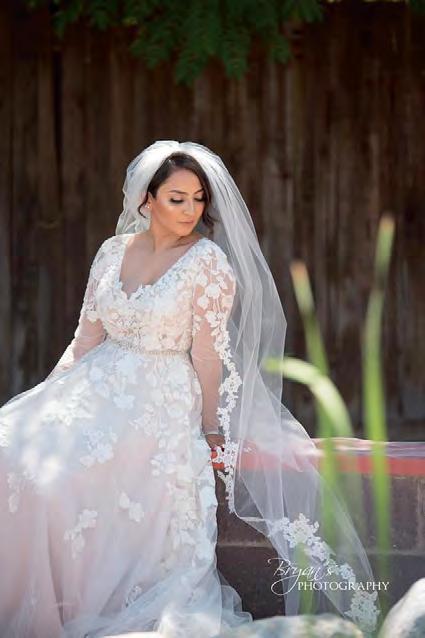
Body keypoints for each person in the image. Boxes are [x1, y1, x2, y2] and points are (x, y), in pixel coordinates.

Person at [0, 141, 381, 638]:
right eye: (176, 198)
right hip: (93, 384)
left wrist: (210, 428)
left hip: (158, 397)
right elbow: (85, 339)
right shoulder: (112, 252)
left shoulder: (207, 263)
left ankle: (64, 605)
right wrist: (46, 398)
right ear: (147, 199)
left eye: (198, 199)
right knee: (9, 447)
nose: (190, 210)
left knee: (50, 482)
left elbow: (206, 355)